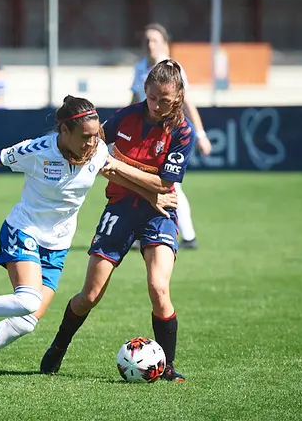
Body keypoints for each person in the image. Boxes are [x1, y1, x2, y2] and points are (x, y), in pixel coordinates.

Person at [0, 95, 177, 381]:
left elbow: (112, 171)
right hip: (23, 229)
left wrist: (152, 196)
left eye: (95, 136)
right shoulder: (38, 150)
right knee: (28, 300)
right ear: (64, 132)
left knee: (27, 321)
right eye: (85, 137)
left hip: (57, 245)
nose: (92, 143)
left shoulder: (97, 151)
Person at [40, 59, 195, 382]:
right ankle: (58, 346)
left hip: (160, 213)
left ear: (178, 95)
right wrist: (114, 167)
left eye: (164, 100)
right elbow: (93, 150)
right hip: (120, 208)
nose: (156, 106)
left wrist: (117, 165)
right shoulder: (127, 115)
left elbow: (165, 186)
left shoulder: (182, 131)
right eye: (151, 97)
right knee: (90, 295)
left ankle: (167, 368)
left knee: (158, 287)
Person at [131, 23, 211, 249]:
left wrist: (201, 134)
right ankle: (142, 232)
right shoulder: (139, 67)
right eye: (147, 40)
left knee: (171, 184)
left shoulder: (172, 68)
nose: (150, 45)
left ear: (164, 44)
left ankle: (188, 235)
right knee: (140, 180)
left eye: (154, 40)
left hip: (166, 132)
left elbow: (187, 102)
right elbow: (133, 102)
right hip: (144, 135)